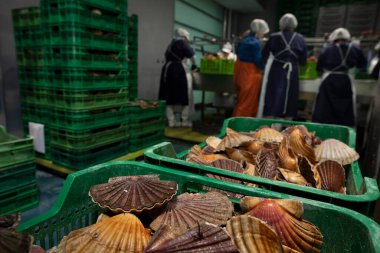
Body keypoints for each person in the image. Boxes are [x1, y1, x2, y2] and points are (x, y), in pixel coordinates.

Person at [312, 28, 367, 127]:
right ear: (347, 38)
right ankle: (342, 135)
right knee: (345, 111)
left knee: (324, 108)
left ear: (334, 38)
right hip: (346, 82)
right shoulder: (355, 48)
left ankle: (322, 133)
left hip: (328, 81)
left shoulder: (327, 49)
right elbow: (362, 65)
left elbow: (319, 67)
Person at [258, 13, 308, 119]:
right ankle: (288, 119)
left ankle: (270, 120)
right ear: (294, 25)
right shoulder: (300, 38)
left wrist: (262, 67)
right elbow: (303, 61)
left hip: (276, 69)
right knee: (291, 93)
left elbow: (264, 55)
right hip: (293, 70)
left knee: (273, 92)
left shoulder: (274, 37)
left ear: (281, 24)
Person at [158, 28, 197, 128]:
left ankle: (171, 121)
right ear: (184, 37)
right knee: (185, 96)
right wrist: (194, 65)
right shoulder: (183, 43)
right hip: (179, 71)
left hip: (167, 70)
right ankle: (184, 121)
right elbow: (193, 56)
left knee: (168, 96)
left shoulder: (171, 44)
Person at [232, 19, 269, 117]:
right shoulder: (254, 43)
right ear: (258, 32)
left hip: (240, 72)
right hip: (249, 74)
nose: (263, 36)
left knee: (242, 99)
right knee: (247, 102)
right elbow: (259, 61)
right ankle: (240, 127)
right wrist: (266, 67)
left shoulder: (245, 40)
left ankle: (239, 123)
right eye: (262, 33)